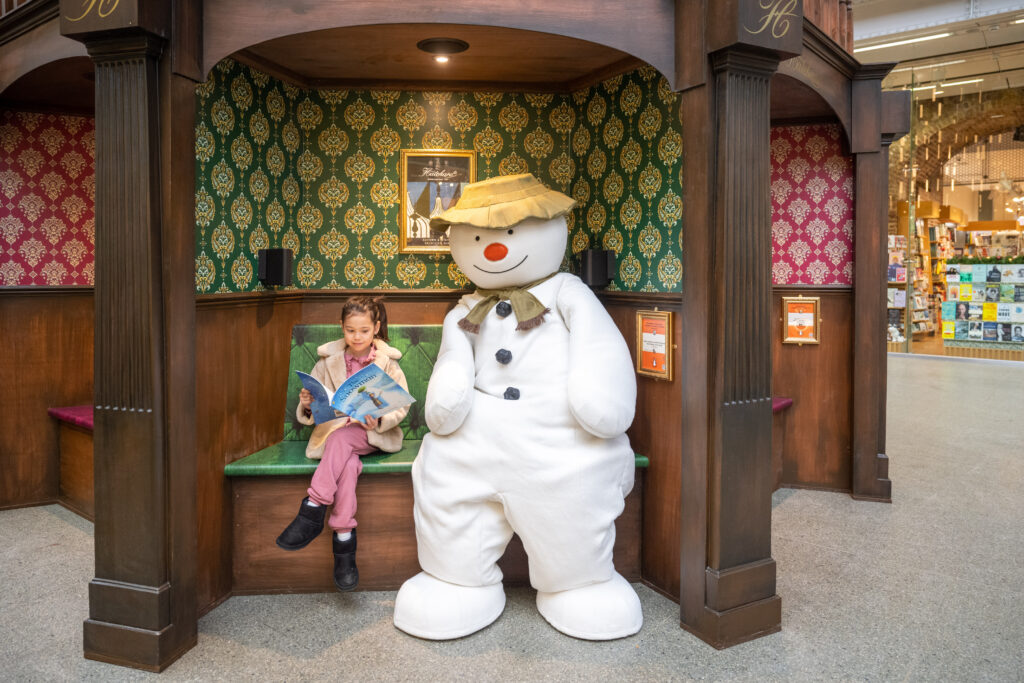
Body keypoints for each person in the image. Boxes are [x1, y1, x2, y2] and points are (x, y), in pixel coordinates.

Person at [275, 296, 409, 591]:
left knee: (342, 440)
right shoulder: (327, 362)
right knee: (347, 463)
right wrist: (308, 404)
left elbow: (400, 407)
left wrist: (380, 419)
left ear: (376, 327)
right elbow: (315, 400)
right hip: (338, 434)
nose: (357, 337)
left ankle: (313, 507)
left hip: (370, 434)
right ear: (341, 328)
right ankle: (344, 541)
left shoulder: (387, 364)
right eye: (350, 330)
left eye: (363, 330)